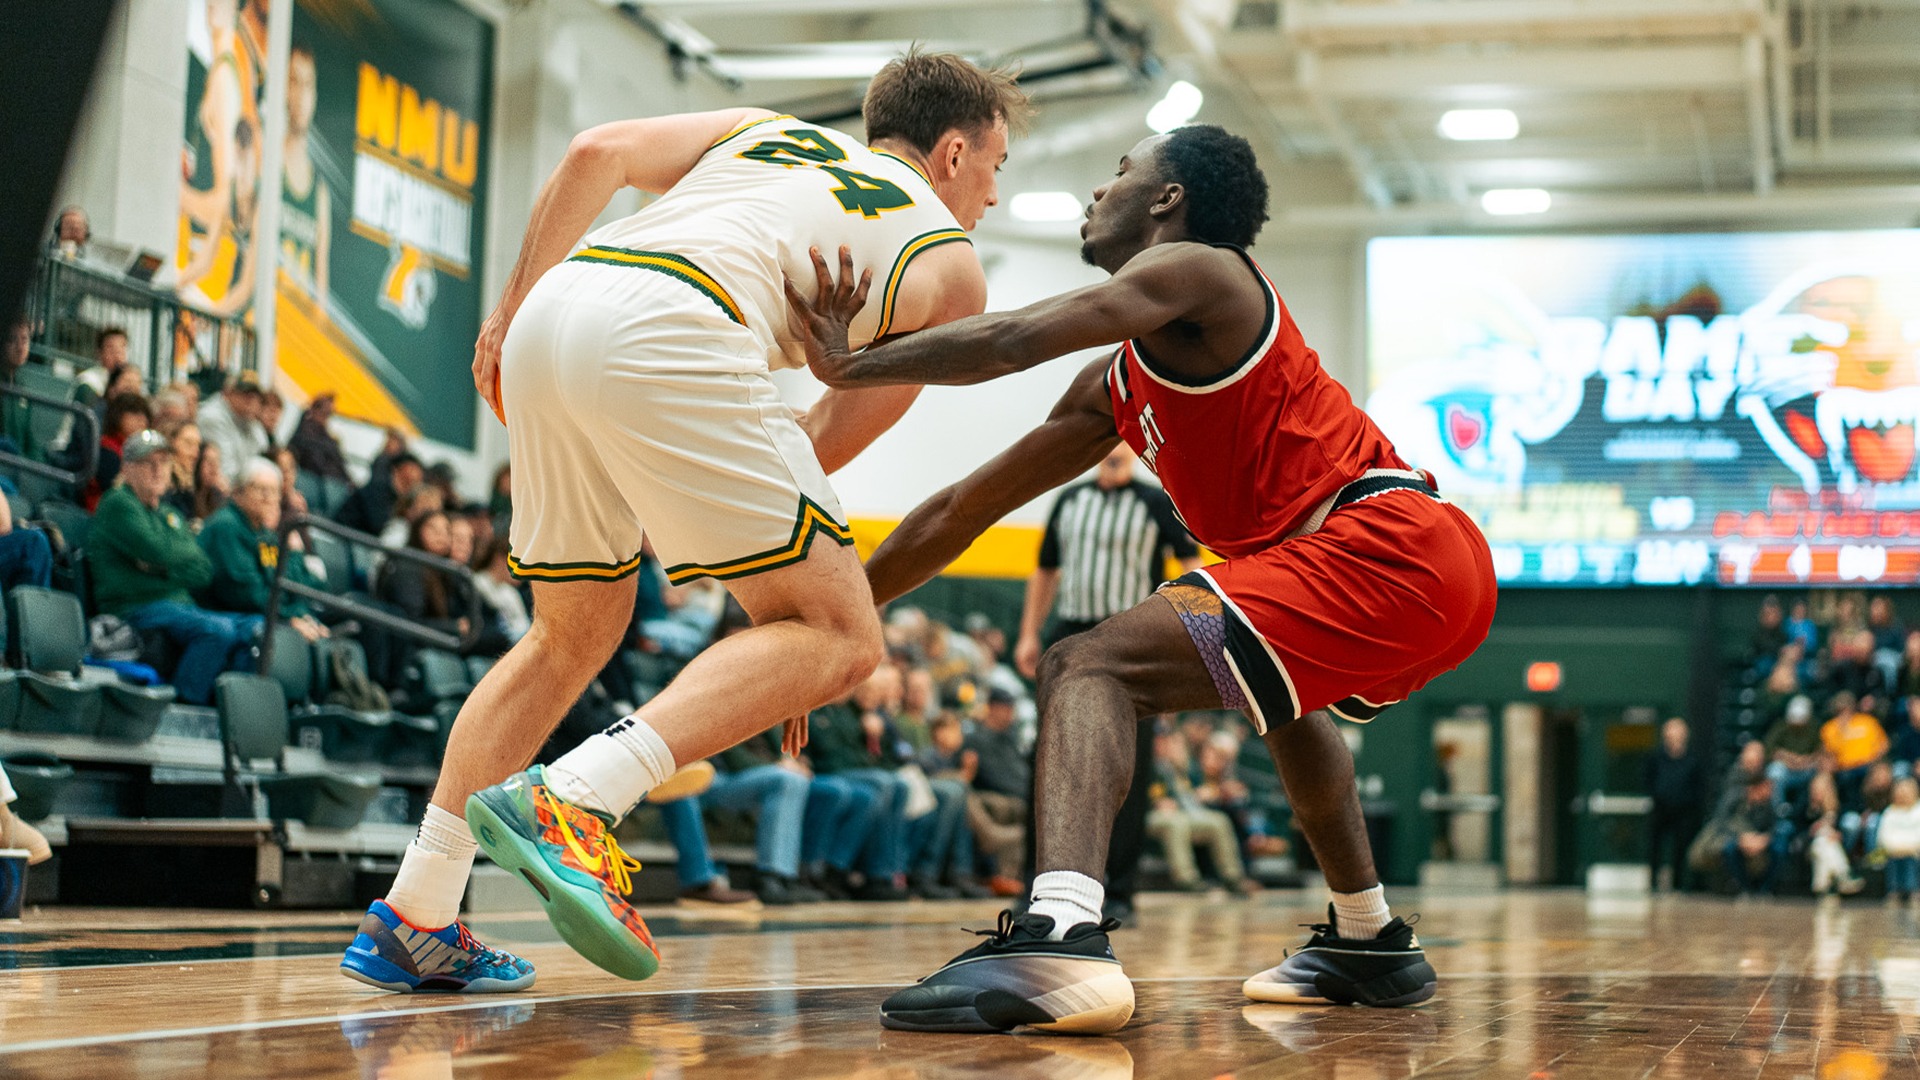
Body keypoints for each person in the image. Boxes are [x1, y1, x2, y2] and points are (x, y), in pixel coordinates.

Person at [785, 123, 1496, 1032]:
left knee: (1087, 664)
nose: (1097, 192)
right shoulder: (1116, 386)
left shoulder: (1206, 270)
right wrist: (840, 621)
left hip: (1385, 542)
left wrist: (849, 363)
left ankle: (1060, 937)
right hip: (1404, 563)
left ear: (1168, 200)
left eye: (1121, 173)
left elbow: (1014, 337)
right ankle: (1372, 940)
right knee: (1284, 703)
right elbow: (962, 508)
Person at [343, 51, 1027, 994]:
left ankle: (416, 913)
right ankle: (576, 798)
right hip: (679, 328)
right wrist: (800, 638)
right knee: (846, 636)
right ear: (953, 153)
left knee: (568, 635)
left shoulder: (768, 130)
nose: (993, 194)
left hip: (558, 313)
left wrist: (505, 315)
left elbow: (595, 152)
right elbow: (824, 438)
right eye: (995, 166)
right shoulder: (951, 270)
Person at [1012, 443, 1200, 921]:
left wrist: (1188, 639)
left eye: (1123, 443)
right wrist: (1030, 632)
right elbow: (1045, 569)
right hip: (1071, 632)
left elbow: (1190, 564)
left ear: (1135, 451)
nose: (1113, 451)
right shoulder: (1071, 499)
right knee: (1049, 757)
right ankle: (1038, 884)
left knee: (1131, 767)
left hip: (1132, 637)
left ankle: (1119, 890)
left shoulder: (1156, 501)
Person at [89, 430, 262, 705]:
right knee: (217, 631)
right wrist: (171, 566)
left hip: (177, 607)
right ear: (127, 468)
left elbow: (203, 569)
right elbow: (157, 549)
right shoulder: (118, 503)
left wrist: (158, 568)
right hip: (135, 608)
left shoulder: (170, 514)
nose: (158, 470)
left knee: (257, 629)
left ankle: (226, 709)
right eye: (148, 463)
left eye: (164, 462)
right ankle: (181, 708)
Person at [198, 458, 328, 642]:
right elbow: (247, 596)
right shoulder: (227, 527)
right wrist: (288, 619)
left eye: (273, 491)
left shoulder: (264, 534)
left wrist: (302, 616)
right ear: (239, 491)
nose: (267, 497)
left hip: (253, 615)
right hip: (222, 618)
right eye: (259, 489)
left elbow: (293, 586)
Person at [1644, 717, 1705, 892]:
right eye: (1671, 731)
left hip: (1684, 810)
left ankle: (1678, 884)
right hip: (1661, 808)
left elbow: (1699, 785)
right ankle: (1653, 883)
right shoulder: (1656, 757)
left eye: (1678, 732)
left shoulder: (1692, 759)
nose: (1674, 735)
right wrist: (1657, 795)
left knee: (1680, 847)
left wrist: (1690, 801)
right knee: (1655, 847)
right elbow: (1648, 779)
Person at [196, 373, 270, 484]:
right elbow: (226, 470)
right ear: (227, 393)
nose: (251, 400)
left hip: (243, 486)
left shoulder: (250, 421)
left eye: (255, 396)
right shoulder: (212, 417)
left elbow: (264, 458)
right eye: (245, 394)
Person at [332, 451, 421, 537]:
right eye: (413, 468)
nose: (416, 474)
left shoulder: (401, 496)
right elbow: (376, 524)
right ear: (399, 467)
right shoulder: (378, 488)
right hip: (346, 534)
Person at [1763, 694, 1821, 812]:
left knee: (1821, 775)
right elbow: (1770, 751)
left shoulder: (1814, 729)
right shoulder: (1780, 728)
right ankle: (1778, 809)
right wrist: (1789, 758)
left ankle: (1813, 809)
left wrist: (1806, 760)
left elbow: (1821, 752)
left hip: (1807, 770)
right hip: (1787, 769)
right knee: (1775, 771)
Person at [1877, 777, 1920, 903]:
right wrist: (1895, 848)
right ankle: (1894, 891)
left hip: (1914, 850)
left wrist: (1910, 847)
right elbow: (1883, 836)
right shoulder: (1890, 812)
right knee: (1893, 859)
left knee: (1910, 860)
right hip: (1894, 850)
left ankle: (1913, 890)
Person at [288, 392, 348, 482]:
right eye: (325, 412)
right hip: (314, 480)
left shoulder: (327, 436)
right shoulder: (305, 433)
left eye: (330, 413)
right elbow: (315, 462)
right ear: (314, 410)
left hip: (332, 481)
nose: (326, 417)